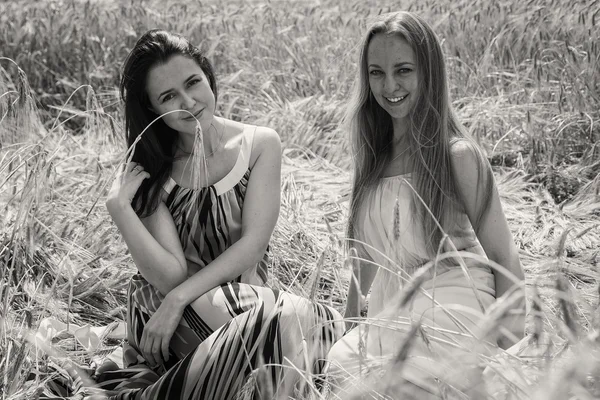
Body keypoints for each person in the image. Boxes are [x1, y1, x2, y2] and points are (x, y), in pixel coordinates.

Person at [97, 29, 344, 400]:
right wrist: (119, 209)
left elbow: (252, 246)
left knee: (322, 324)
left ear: (208, 76)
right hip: (167, 317)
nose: (188, 101)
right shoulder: (154, 168)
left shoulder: (260, 144)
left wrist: (179, 298)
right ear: (153, 110)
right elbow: (171, 276)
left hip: (238, 305)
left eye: (193, 82)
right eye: (168, 96)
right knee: (282, 326)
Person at [326, 12, 526, 399]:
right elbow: (362, 263)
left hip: (453, 303)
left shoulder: (457, 155)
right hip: (393, 309)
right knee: (340, 365)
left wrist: (509, 351)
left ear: (429, 72)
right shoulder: (371, 158)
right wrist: (350, 329)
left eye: (403, 70)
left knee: (407, 376)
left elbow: (504, 255)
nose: (390, 85)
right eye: (376, 73)